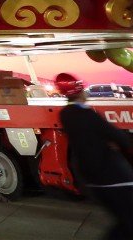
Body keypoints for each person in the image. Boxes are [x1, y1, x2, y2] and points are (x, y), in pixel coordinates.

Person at [57, 73, 133, 240]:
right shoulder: (88, 115)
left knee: (125, 221)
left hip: (92, 178)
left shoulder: (65, 114)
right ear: (80, 92)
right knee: (129, 223)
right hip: (112, 176)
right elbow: (117, 136)